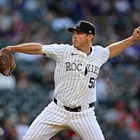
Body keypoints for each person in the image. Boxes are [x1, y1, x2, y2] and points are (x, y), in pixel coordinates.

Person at [5, 20, 140, 140]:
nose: (74, 36)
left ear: (90, 37)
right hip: (57, 110)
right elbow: (39, 48)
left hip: (84, 114)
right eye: (74, 33)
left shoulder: (99, 54)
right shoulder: (63, 51)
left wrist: (132, 39)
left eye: (79, 33)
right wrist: (12, 48)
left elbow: (111, 50)